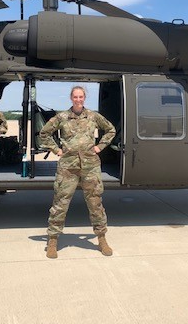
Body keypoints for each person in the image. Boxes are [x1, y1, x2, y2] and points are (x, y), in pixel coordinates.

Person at [39, 86, 116, 259]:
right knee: (60, 203)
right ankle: (52, 240)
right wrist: (56, 150)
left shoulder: (93, 116)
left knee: (95, 203)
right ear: (71, 98)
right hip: (68, 166)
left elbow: (110, 130)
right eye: (75, 97)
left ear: (84, 98)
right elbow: (44, 133)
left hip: (90, 165)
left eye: (81, 97)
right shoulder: (62, 117)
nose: (78, 99)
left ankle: (101, 239)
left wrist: (99, 147)